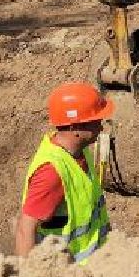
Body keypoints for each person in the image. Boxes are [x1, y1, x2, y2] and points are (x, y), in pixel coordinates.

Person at [15, 81, 114, 261]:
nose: (101, 127)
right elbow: (25, 229)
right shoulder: (51, 172)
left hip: (96, 269)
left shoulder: (79, 151)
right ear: (74, 127)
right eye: (94, 121)